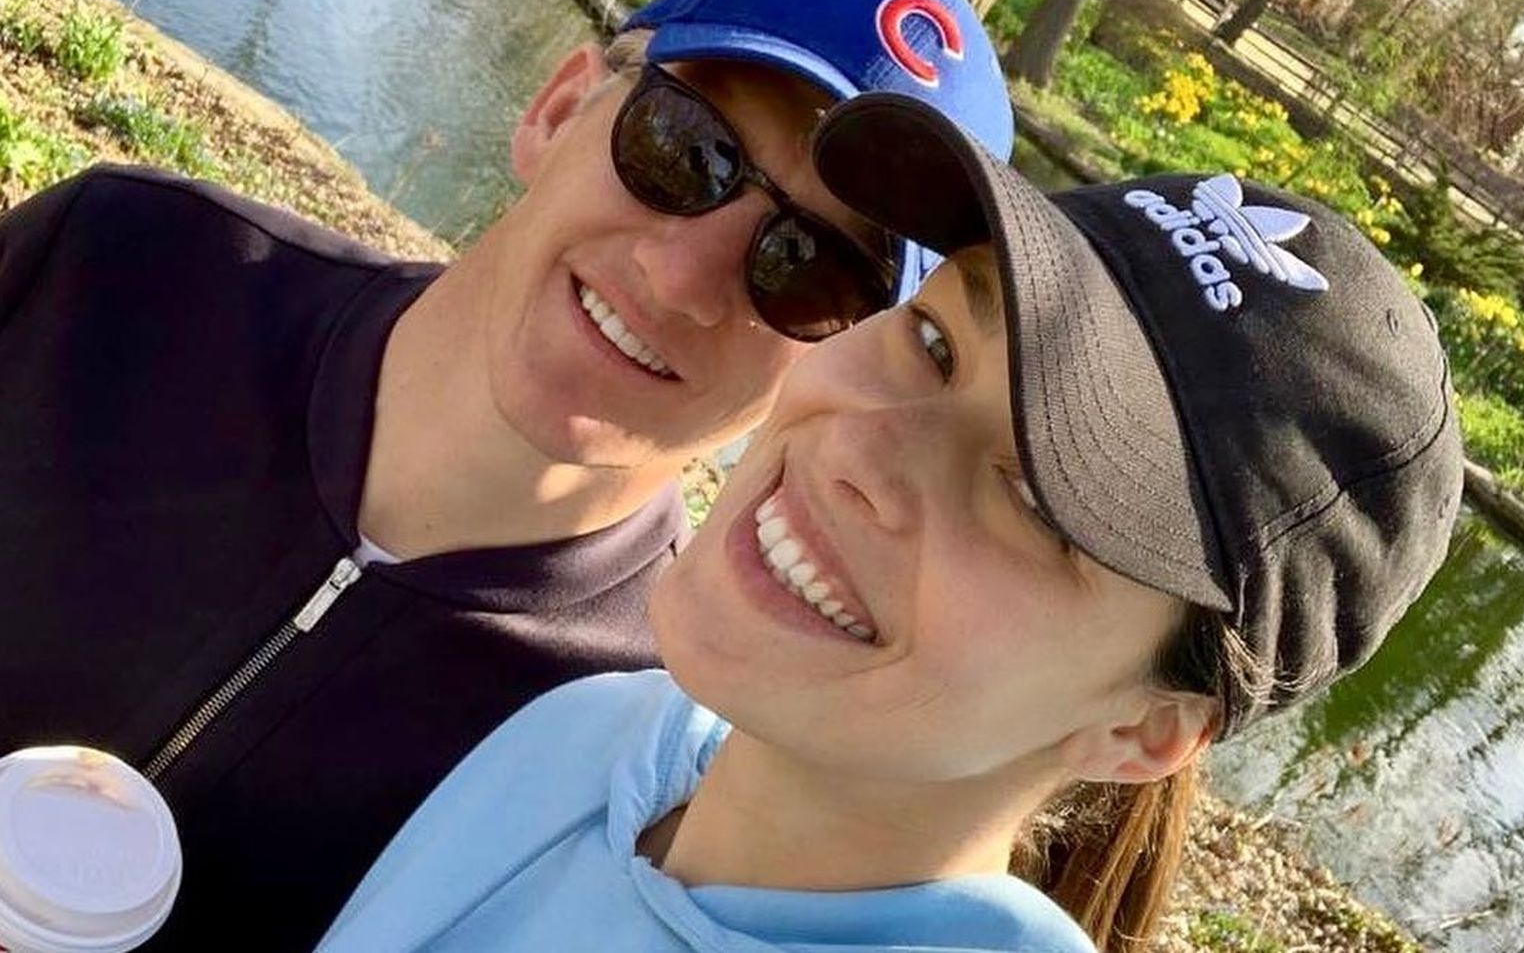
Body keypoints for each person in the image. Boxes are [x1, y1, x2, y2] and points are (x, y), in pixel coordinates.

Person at [0, 0, 1012, 949]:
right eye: (682, 147)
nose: (680, 280)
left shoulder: (624, 758)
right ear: (559, 109)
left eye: (812, 268)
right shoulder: (119, 263)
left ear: (840, 369)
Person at [315, 91, 1463, 953]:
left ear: (1144, 731)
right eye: (935, 341)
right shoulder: (600, 731)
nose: (864, 451)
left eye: (1038, 495)